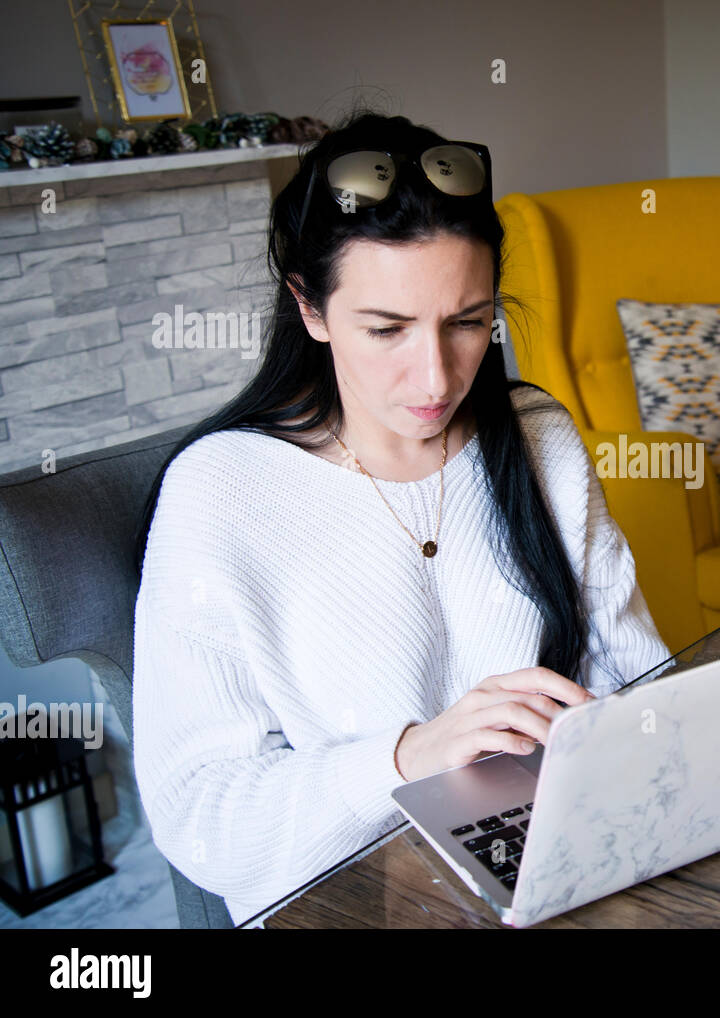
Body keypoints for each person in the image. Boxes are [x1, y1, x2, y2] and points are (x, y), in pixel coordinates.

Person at [131, 110, 671, 926]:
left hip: (562, 869)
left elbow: (642, 679)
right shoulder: (222, 493)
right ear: (309, 310)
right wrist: (407, 755)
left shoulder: (538, 437)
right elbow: (201, 818)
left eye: (467, 322)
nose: (436, 375)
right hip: (352, 904)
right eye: (386, 329)